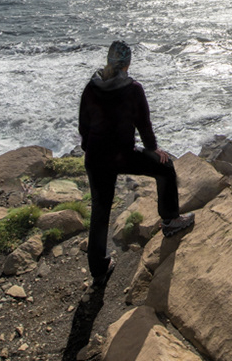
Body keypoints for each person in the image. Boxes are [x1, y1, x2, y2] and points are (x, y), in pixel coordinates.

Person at [78, 40, 193, 285]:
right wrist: (153, 150)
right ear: (128, 63)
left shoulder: (92, 85)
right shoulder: (133, 88)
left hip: (96, 157)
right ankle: (171, 220)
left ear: (109, 61)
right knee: (165, 167)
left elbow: (83, 126)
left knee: (100, 212)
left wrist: (90, 150)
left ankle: (99, 269)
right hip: (123, 155)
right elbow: (144, 125)